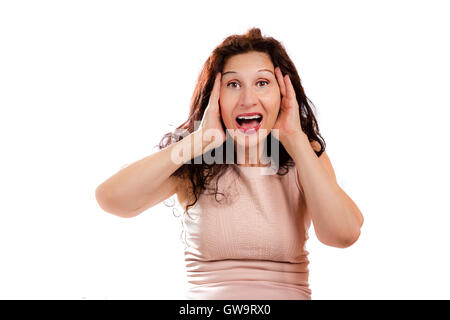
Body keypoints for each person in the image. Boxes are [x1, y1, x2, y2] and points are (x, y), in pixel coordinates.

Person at [95, 27, 364, 300]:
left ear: (284, 94)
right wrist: (198, 142)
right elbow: (112, 199)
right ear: (215, 97)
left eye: (262, 83)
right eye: (233, 85)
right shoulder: (194, 162)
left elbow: (343, 235)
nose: (248, 99)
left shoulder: (305, 156)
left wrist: (296, 140)